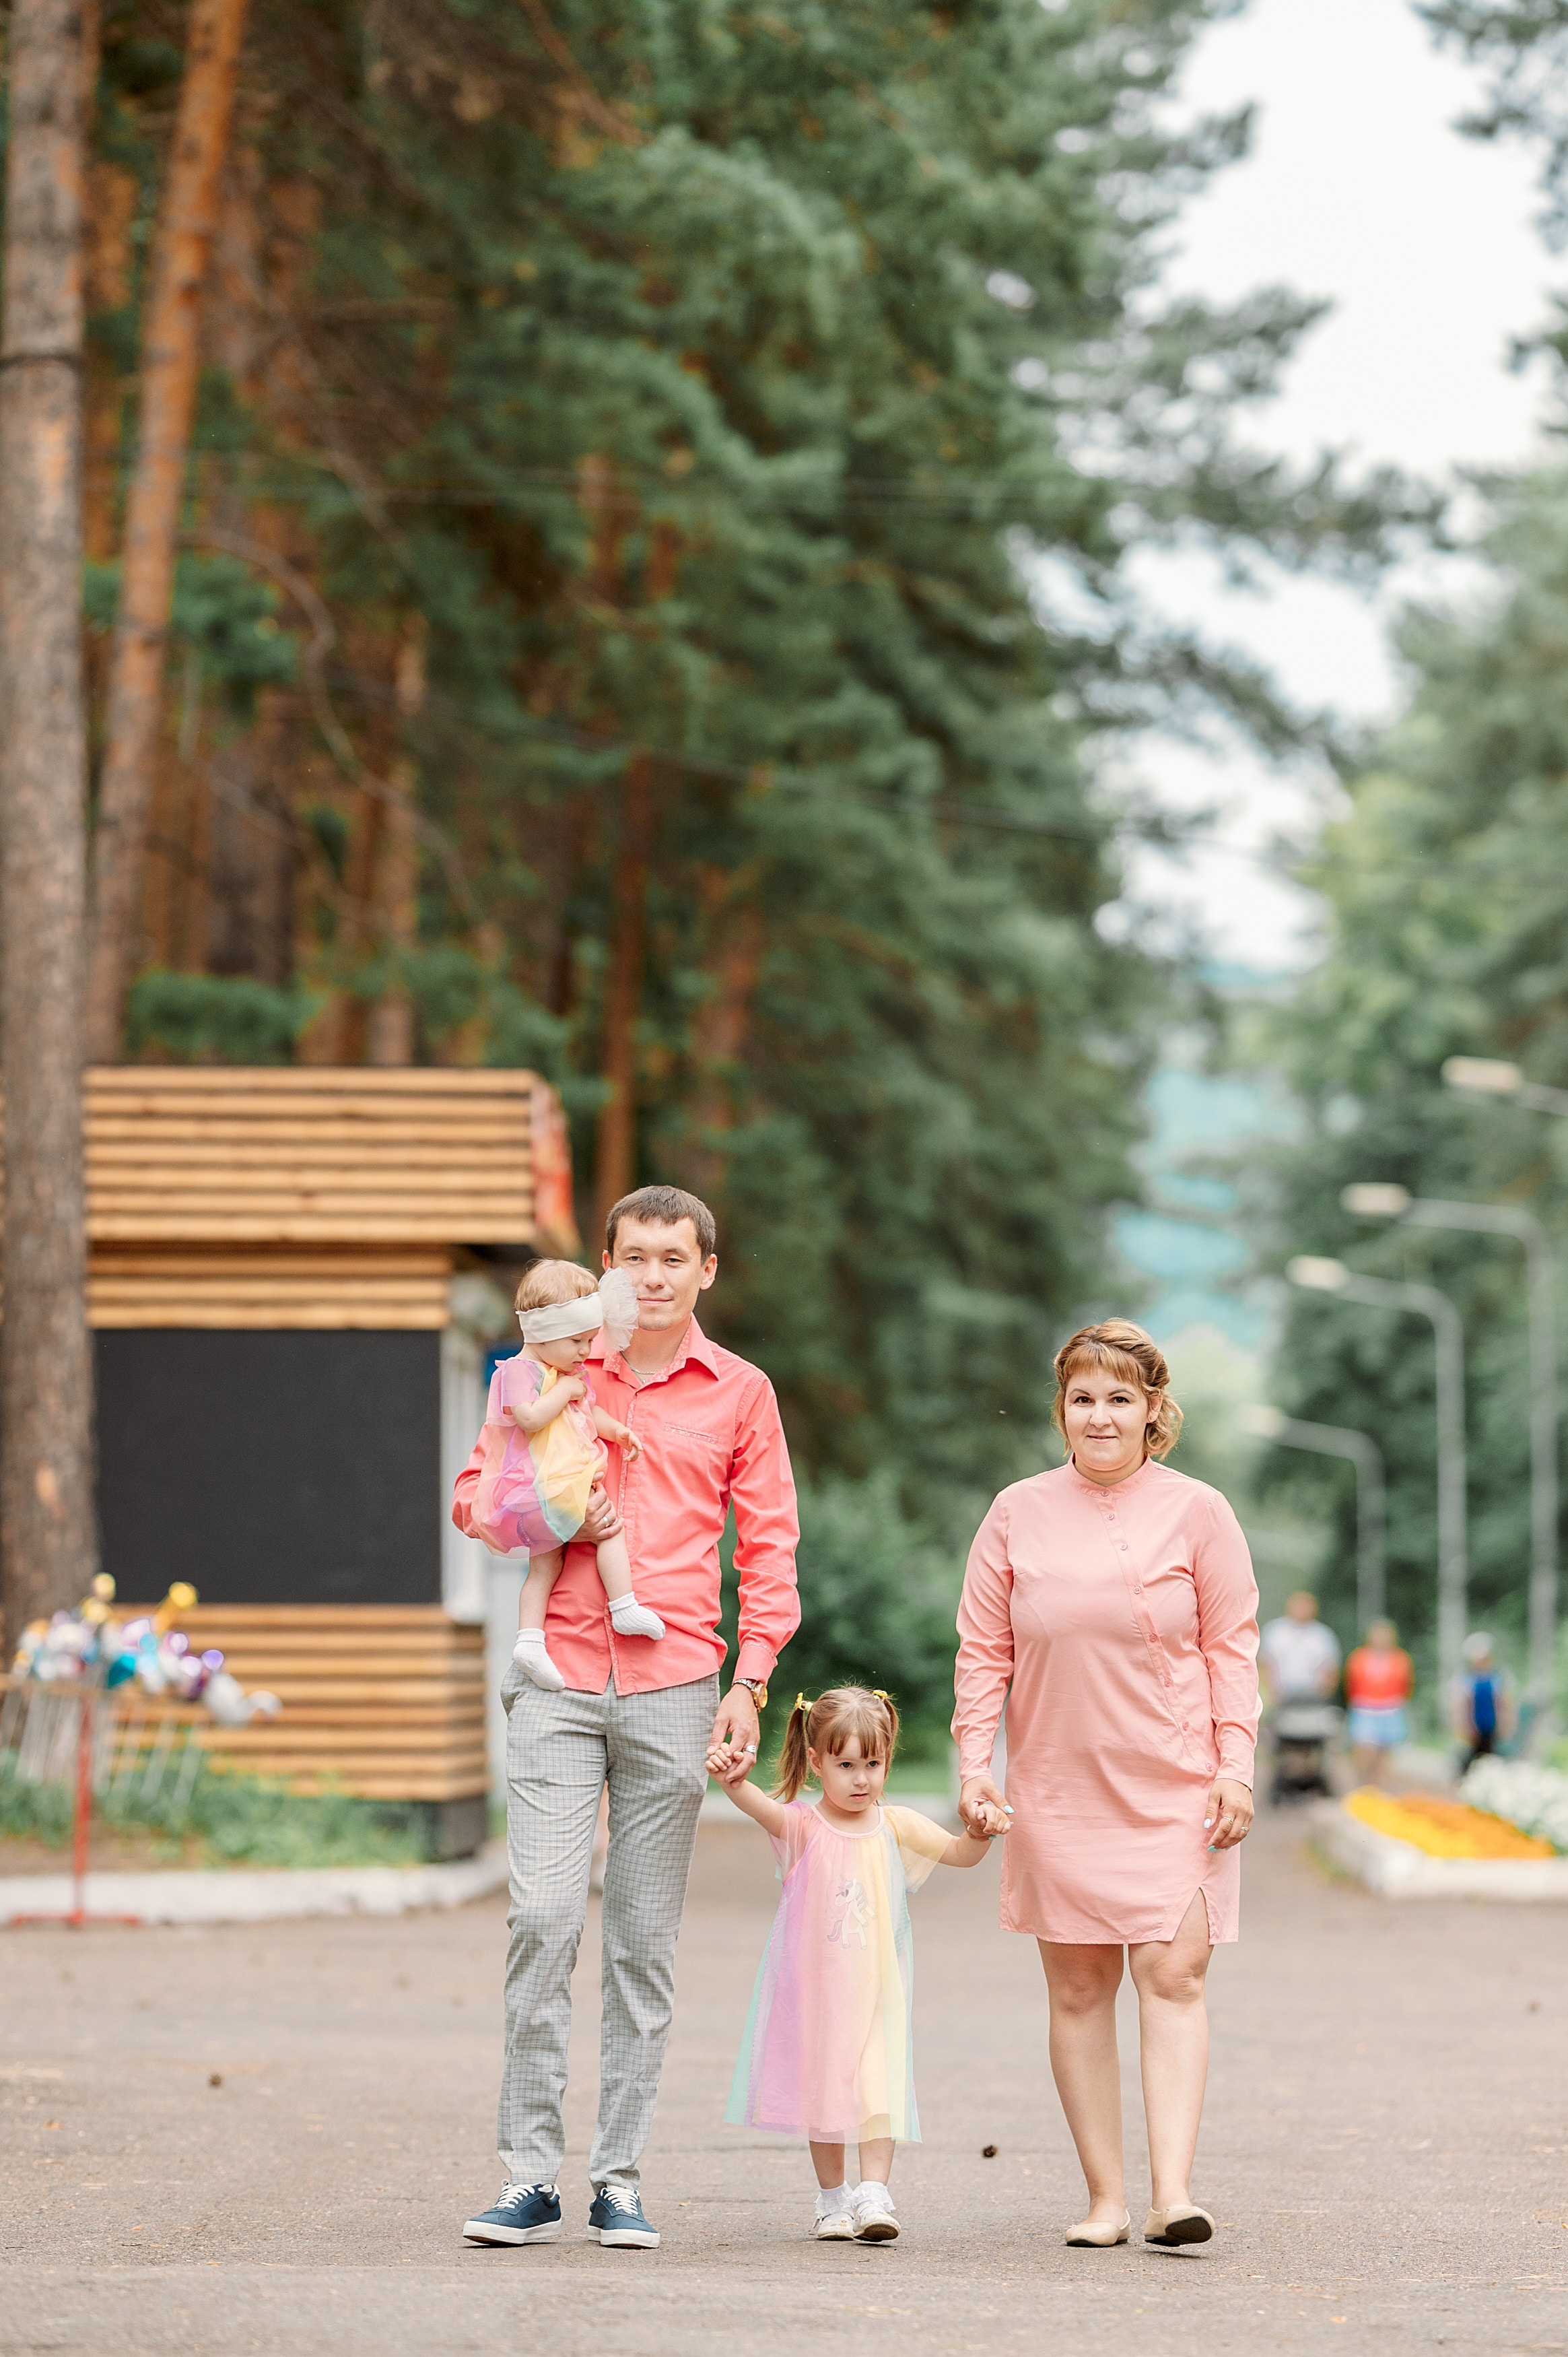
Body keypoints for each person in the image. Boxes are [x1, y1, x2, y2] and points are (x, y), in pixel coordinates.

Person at [454, 1184, 801, 2253]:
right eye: (634, 1256)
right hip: (557, 1676)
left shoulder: (741, 1392)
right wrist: (546, 1514)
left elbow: (769, 1548)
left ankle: (618, 2180)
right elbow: (472, 1497)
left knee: (641, 1948)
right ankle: (528, 2175)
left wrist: (750, 1682)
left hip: (676, 1685)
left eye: (672, 1258)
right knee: (543, 1921)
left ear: (706, 1270)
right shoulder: (546, 1368)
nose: (652, 1276)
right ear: (605, 1265)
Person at [953, 1318, 1258, 2251]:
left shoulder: (1200, 1510)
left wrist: (1236, 1767)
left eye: (1119, 1398)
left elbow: (1231, 1647)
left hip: (1178, 1786)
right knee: (1081, 1988)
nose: (1099, 1415)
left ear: (1152, 1410)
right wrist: (974, 1766)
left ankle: (1173, 2195)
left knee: (1173, 1974)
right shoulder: (1014, 1511)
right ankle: (1105, 2200)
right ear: (1060, 1410)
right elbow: (982, 1651)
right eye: (1082, 1397)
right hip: (1057, 1788)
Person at [712, 1686, 1002, 2245]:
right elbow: (754, 1804)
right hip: (818, 1997)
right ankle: (832, 2200)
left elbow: (959, 1854)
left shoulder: (894, 1825)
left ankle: (873, 2194)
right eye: (845, 1765)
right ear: (816, 1761)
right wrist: (731, 1779)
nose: (861, 1778)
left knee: (877, 2089)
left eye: (873, 1763)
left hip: (877, 1994)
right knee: (824, 2093)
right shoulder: (802, 1826)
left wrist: (978, 1832)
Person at [469, 1259, 666, 1690]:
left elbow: (591, 1412)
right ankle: (619, 1606)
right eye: (578, 1340)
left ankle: (534, 1639)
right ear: (543, 1333)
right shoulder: (517, 1371)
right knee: (603, 1532)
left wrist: (617, 1431)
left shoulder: (566, 1374)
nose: (584, 1351)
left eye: (590, 1340)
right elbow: (529, 1418)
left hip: (556, 1484)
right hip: (540, 1485)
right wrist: (564, 1390)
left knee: (551, 1563)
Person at [1343, 1619, 1414, 1787]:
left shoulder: (1400, 1659)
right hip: (1365, 1708)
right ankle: (1363, 1786)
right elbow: (1350, 1684)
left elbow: (1406, 1685)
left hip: (1390, 1709)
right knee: (1364, 1750)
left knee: (1385, 1753)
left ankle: (1380, 1789)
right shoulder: (1359, 1658)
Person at [1259, 1592, 1340, 1709]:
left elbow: (1331, 1670)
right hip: (1279, 1698)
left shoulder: (1322, 1636)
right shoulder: (1275, 1632)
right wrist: (1271, 1692)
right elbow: (1264, 1665)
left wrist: (1324, 1693)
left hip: (1313, 1698)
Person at [1450, 1631, 1515, 1769]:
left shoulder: (1497, 1678)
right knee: (1470, 1760)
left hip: (1492, 1727)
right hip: (1473, 1728)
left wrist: (1506, 1725)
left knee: (1492, 1758)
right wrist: (1463, 1727)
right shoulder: (1466, 1679)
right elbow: (1459, 1706)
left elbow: (1505, 1703)